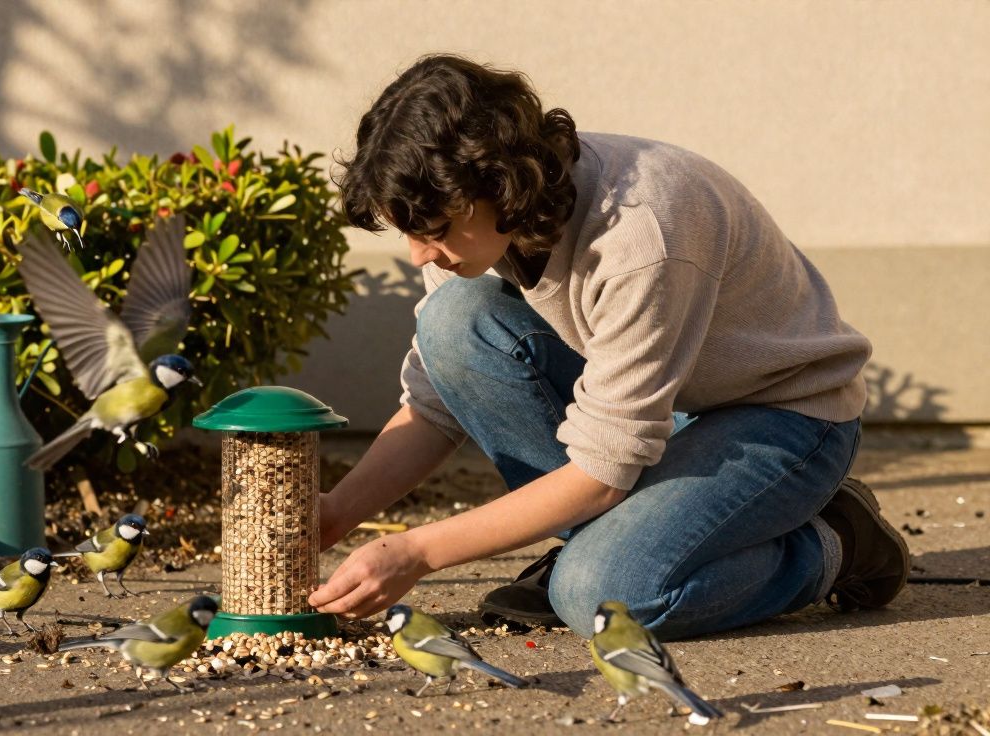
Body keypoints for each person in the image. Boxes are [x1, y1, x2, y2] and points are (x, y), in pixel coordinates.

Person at [308, 54, 910, 640]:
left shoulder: (640, 232)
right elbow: (435, 404)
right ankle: (608, 543)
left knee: (603, 595)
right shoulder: (469, 232)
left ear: (499, 184)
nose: (418, 254)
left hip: (786, 419)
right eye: (408, 232)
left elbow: (602, 472)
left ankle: (836, 542)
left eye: (433, 231)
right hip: (662, 414)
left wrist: (416, 551)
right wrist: (336, 513)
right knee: (453, 322)